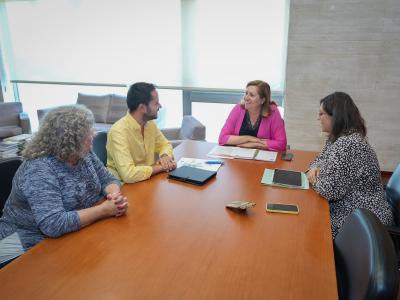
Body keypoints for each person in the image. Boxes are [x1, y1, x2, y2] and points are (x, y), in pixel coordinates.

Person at [0, 105, 128, 267]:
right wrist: (103, 210)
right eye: (87, 134)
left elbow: (108, 179)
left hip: (74, 231)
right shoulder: (39, 168)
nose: (93, 136)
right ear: (69, 141)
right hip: (24, 242)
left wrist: (113, 196)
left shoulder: (83, 152)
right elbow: (53, 224)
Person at [307, 92, 393, 238]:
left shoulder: (348, 144)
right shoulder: (337, 138)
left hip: (364, 217)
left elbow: (331, 191)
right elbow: (320, 158)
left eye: (321, 114)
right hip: (351, 208)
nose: (318, 118)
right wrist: (314, 168)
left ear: (335, 116)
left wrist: (313, 178)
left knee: (311, 229)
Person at [107, 82, 176, 183]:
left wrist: (165, 156)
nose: (160, 106)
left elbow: (165, 144)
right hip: (124, 188)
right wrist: (161, 167)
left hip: (147, 181)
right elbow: (128, 174)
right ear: (142, 108)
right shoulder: (118, 132)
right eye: (156, 103)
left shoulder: (150, 124)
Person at [218, 80, 287, 151]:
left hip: (263, 159)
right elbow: (222, 138)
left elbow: (281, 144)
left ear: (262, 100)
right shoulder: (239, 108)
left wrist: (255, 144)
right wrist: (249, 138)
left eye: (252, 95)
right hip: (238, 157)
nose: (246, 98)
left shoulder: (273, 111)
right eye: (246, 93)